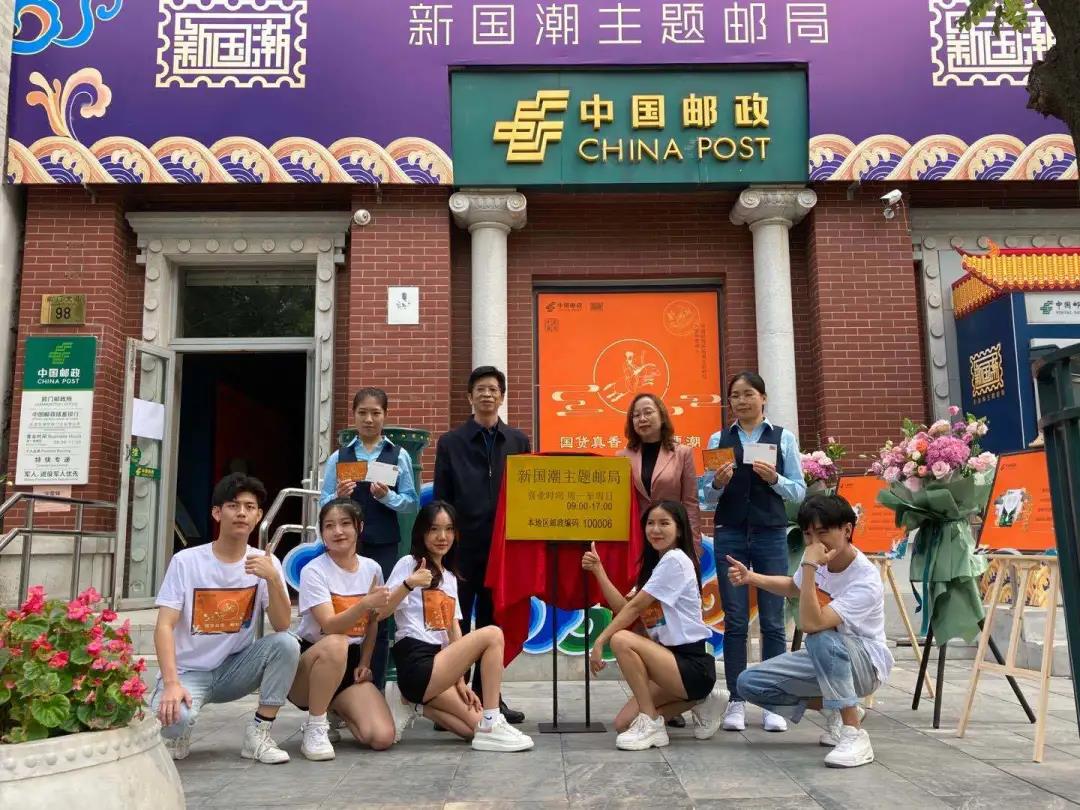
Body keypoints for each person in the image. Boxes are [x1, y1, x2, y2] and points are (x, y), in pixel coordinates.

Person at [729, 494, 893, 768]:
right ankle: (843, 709)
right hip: (826, 655)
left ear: (847, 530)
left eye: (823, 532)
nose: (815, 543)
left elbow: (812, 624)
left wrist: (809, 566)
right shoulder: (820, 564)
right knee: (749, 683)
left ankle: (854, 733)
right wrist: (751, 577)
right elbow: (793, 587)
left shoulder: (865, 579)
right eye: (808, 534)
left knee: (820, 637)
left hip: (866, 664)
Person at [151, 473, 300, 763]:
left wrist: (272, 579)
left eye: (249, 507)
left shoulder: (266, 562)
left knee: (287, 643)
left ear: (258, 516)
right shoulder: (187, 561)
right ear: (217, 513)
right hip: (187, 672)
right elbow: (164, 626)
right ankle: (179, 732)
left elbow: (282, 624)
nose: (241, 513)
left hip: (234, 670)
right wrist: (171, 683)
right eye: (233, 506)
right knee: (173, 720)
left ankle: (258, 733)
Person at [380, 501, 535, 752]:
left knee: (472, 731)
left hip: (440, 665)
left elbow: (453, 632)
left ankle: (411, 703)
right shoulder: (409, 564)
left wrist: (460, 683)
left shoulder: (450, 577)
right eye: (434, 529)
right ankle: (493, 718)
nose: (443, 536)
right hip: (416, 661)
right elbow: (382, 612)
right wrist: (409, 584)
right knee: (493, 634)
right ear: (421, 532)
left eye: (449, 529)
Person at [706, 371, 805, 733]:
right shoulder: (719, 438)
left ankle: (772, 701)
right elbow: (706, 497)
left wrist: (775, 479)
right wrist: (717, 484)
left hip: (770, 533)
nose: (742, 401)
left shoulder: (783, 437)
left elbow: (800, 491)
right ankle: (736, 698)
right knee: (734, 619)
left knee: (773, 620)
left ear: (763, 398)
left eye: (749, 394)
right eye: (735, 395)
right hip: (730, 532)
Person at [585, 501, 726, 751]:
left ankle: (651, 722)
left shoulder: (675, 560)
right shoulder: (657, 567)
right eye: (650, 523)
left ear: (679, 529)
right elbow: (625, 608)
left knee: (621, 639)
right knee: (623, 724)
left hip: (691, 664)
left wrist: (600, 640)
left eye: (664, 523)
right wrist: (598, 570)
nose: (655, 530)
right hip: (668, 663)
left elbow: (634, 608)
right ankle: (701, 701)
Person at [433, 366, 530, 723]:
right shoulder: (451, 442)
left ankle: (491, 698)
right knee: (455, 623)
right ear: (469, 397)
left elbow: (528, 496)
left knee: (494, 624)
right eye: (480, 389)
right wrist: (442, 547)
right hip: (461, 551)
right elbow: (441, 499)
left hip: (502, 552)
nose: (487, 395)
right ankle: (454, 698)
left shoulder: (518, 442)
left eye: (493, 389)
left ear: (502, 397)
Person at [320, 387, 418, 690]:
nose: (369, 419)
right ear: (354, 415)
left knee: (378, 614)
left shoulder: (398, 455)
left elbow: (411, 502)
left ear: (385, 416)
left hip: (383, 544)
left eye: (376, 413)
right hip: (345, 547)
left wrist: (388, 497)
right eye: (362, 413)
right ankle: (340, 685)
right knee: (344, 609)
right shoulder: (340, 457)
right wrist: (338, 496)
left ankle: (373, 686)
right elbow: (323, 502)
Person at [288, 498, 396, 759]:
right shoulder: (314, 571)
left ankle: (335, 708)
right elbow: (329, 624)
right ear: (322, 533)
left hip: (351, 662)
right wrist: (365, 603)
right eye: (329, 526)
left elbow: (372, 621)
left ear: (359, 527)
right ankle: (315, 725)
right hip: (313, 661)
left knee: (381, 737)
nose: (338, 531)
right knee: (337, 641)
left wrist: (365, 662)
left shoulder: (372, 568)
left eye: (345, 523)